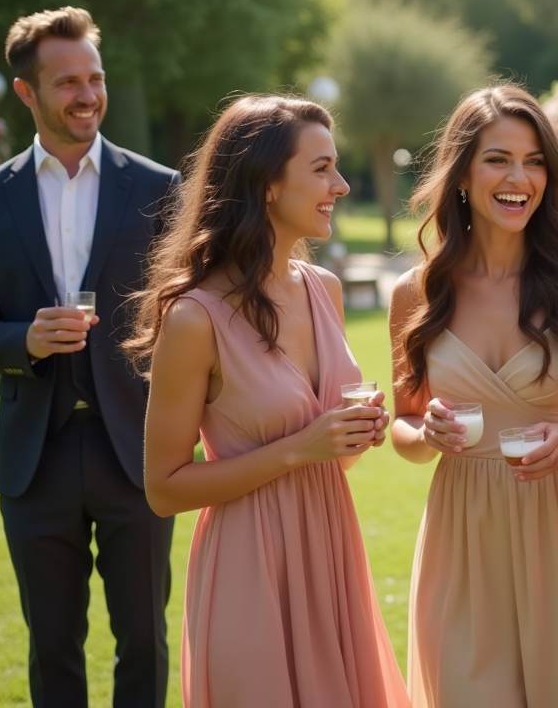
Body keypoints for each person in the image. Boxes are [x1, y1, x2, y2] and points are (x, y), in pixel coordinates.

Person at [124, 95, 409, 707]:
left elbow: (330, 459)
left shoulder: (323, 290)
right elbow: (163, 487)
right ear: (268, 184)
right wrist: (298, 448)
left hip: (332, 552)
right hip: (248, 566)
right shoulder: (195, 317)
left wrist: (350, 436)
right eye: (321, 168)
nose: (341, 183)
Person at [388, 84, 558, 708]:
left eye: (534, 161)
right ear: (461, 174)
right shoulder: (415, 293)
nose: (519, 177)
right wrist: (426, 436)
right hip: (462, 540)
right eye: (498, 158)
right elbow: (404, 423)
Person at [0, 7, 177, 707]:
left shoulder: (159, 188)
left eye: (96, 78)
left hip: (135, 453)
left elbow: (185, 312)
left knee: (143, 640)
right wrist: (22, 341)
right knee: (52, 649)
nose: (88, 95)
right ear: (27, 93)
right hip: (34, 458)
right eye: (67, 82)